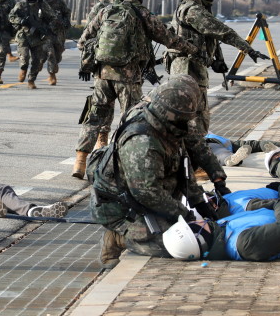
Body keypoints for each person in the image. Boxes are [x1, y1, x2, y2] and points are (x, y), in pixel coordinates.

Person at [89, 75, 231, 268]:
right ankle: (118, 237)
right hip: (120, 207)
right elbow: (146, 192)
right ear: (171, 115)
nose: (187, 123)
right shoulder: (142, 141)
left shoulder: (169, 124)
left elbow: (187, 160)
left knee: (189, 232)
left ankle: (151, 226)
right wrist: (184, 215)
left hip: (146, 197)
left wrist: (199, 199)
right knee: (178, 246)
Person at [72, 0, 199, 179]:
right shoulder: (143, 14)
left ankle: (80, 162)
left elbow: (82, 41)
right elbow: (168, 38)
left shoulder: (107, 11)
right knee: (130, 120)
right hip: (128, 78)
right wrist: (192, 49)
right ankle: (118, 166)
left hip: (102, 76)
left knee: (94, 118)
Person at [166, 0, 270, 135]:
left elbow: (210, 37)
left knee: (196, 118)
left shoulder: (200, 8)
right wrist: (247, 49)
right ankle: (192, 149)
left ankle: (192, 148)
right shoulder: (193, 10)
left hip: (192, 68)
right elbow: (222, 31)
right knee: (193, 119)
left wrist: (217, 59)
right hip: (187, 70)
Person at [74, 0, 128, 154]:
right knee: (106, 106)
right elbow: (88, 36)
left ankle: (119, 143)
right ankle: (104, 139)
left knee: (121, 108)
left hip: (121, 66)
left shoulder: (130, 8)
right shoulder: (103, 7)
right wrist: (87, 62)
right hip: (108, 64)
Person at [9, 0, 57, 89]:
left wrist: (46, 27)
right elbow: (11, 16)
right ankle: (23, 69)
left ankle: (31, 80)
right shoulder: (20, 5)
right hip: (23, 35)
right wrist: (20, 21)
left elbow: (53, 18)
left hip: (37, 37)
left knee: (36, 61)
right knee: (25, 56)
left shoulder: (42, 5)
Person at [40, 0, 72, 86]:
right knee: (50, 53)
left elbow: (67, 12)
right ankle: (52, 75)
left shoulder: (59, 2)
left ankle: (52, 66)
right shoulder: (40, 3)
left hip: (59, 33)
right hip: (46, 33)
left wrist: (66, 22)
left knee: (58, 54)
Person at [205, 133, 280, 167]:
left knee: (252, 144)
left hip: (230, 144)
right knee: (220, 153)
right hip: (210, 145)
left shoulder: (208, 133)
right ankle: (230, 159)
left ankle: (270, 145)